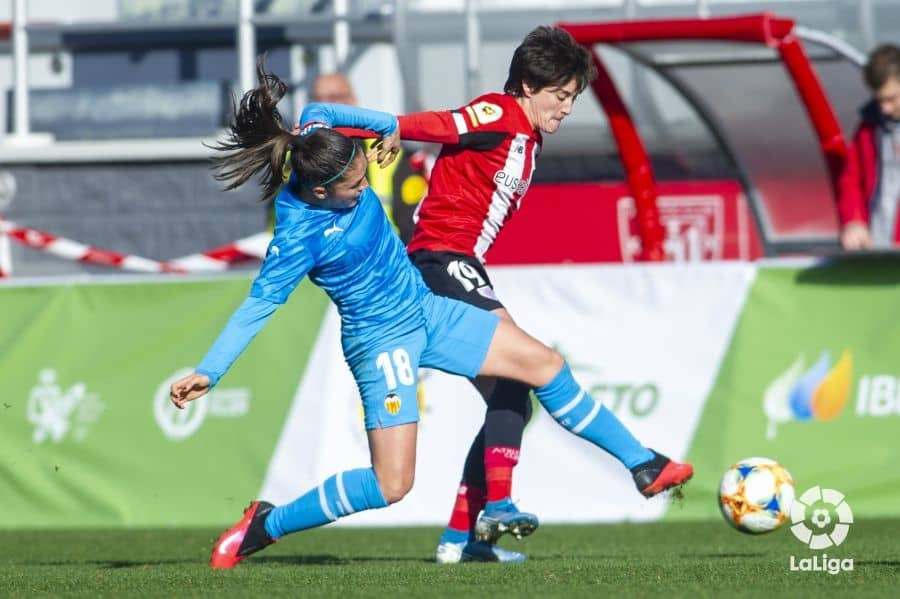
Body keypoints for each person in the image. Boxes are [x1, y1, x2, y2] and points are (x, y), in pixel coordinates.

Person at [169, 62, 693, 569]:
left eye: (363, 176)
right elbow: (259, 305)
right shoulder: (298, 235)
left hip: (429, 309)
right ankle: (268, 523)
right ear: (321, 191)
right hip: (382, 343)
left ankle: (642, 463)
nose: (362, 190)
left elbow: (321, 107)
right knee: (391, 485)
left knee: (545, 365)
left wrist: (388, 127)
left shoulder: (320, 140)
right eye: (354, 188)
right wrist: (209, 371)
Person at [388, 26, 692, 564]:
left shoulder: (526, 135)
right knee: (539, 367)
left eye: (573, 97)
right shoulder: (501, 113)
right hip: (442, 262)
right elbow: (442, 124)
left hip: (456, 264)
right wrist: (377, 124)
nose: (568, 107)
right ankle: (636, 464)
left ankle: (461, 542)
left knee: (512, 395)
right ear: (528, 85)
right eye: (561, 95)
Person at [309, 72, 431, 240]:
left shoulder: (393, 154)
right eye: (317, 99)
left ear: (352, 101)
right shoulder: (290, 156)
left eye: (334, 97)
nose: (324, 106)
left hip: (379, 256)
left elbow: (412, 227)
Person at [838, 43, 900, 250]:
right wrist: (854, 221)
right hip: (878, 249)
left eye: (891, 99)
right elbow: (851, 179)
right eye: (879, 100)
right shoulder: (868, 129)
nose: (884, 108)